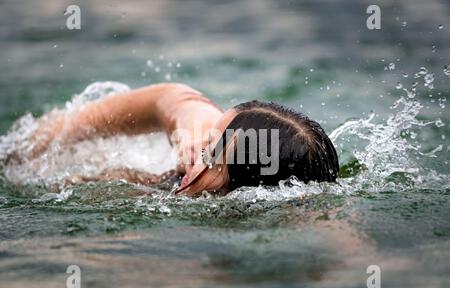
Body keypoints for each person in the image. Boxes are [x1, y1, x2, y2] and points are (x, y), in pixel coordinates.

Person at [11, 83, 339, 196]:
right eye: (209, 137)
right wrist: (21, 150)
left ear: (237, 192)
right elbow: (171, 96)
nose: (196, 150)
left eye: (210, 156)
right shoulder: (197, 142)